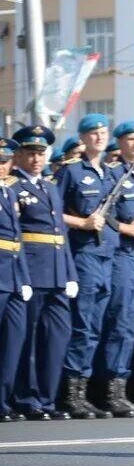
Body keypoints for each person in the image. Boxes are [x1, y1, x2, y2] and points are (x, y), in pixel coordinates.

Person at [10, 126, 79, 420]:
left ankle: (48, 399)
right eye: (30, 153)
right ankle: (28, 398)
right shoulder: (13, 188)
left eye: (41, 153)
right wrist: (21, 276)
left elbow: (60, 233)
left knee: (57, 338)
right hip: (32, 271)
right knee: (31, 340)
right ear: (19, 155)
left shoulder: (50, 187)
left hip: (57, 273)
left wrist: (71, 273)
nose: (37, 159)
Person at [55, 113, 119, 419]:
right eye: (93, 133)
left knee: (96, 326)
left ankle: (84, 389)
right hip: (84, 255)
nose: (99, 137)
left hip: (107, 255)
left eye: (103, 132)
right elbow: (53, 212)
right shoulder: (71, 171)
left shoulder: (109, 173)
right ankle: (70, 393)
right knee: (82, 325)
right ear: (82, 138)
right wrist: (82, 222)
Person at [95, 121, 134, 417]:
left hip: (133, 258)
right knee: (117, 323)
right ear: (119, 142)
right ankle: (107, 390)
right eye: (131, 139)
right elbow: (104, 214)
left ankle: (120, 387)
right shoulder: (114, 174)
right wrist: (127, 228)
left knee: (128, 324)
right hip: (116, 255)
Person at [0, 138, 32, 421]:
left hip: (12, 278)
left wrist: (23, 278)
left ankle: (3, 401)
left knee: (13, 342)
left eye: (5, 161)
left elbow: (16, 240)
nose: (2, 166)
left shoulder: (9, 193)